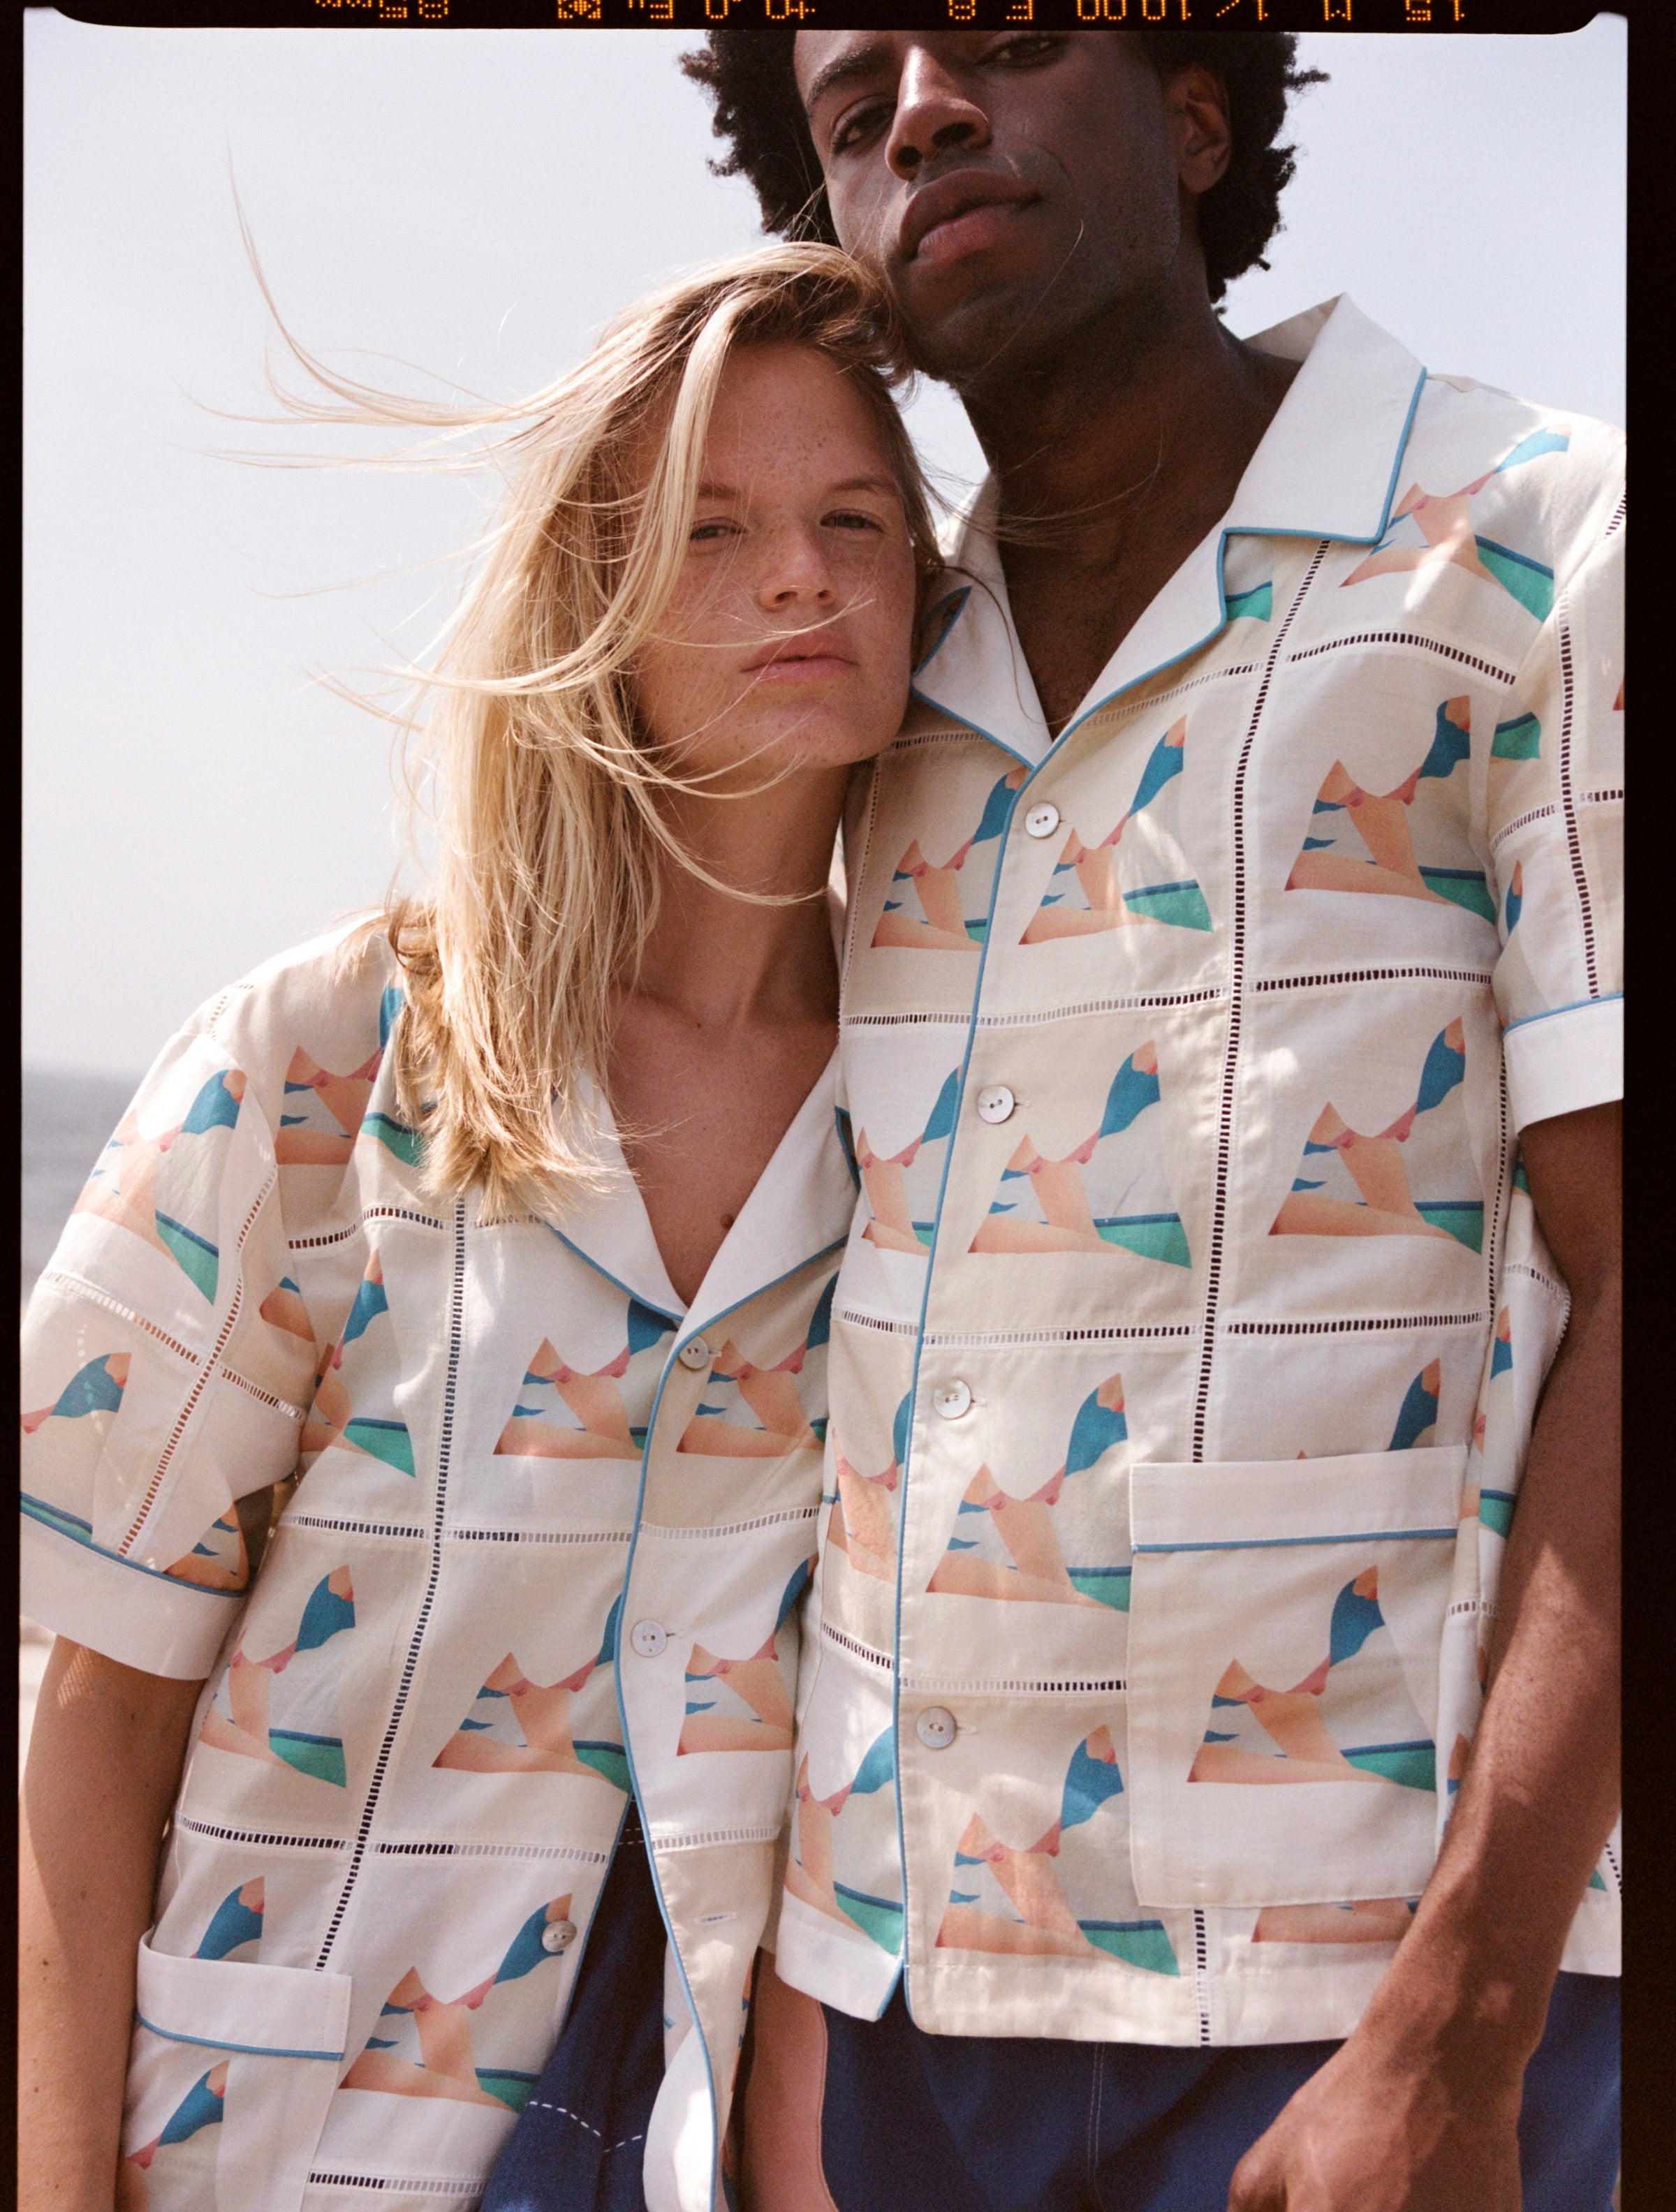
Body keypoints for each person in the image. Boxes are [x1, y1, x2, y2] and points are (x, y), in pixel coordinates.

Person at [684, 27, 1622, 2212]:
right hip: (915, 2031)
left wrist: (1460, 2031)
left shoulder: (1538, 549)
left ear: (1199, 114)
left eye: (1003, 42)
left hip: (1370, 2030)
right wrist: (806, 2018)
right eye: (849, 114)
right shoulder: (872, 677)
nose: (917, 111)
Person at [17, 244, 941, 2212]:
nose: (801, 575)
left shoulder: (948, 1119)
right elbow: (94, 1706)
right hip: (283, 2134)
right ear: (592, 611)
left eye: (852, 520)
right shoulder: (332, 1058)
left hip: (713, 2137)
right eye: (712, 531)